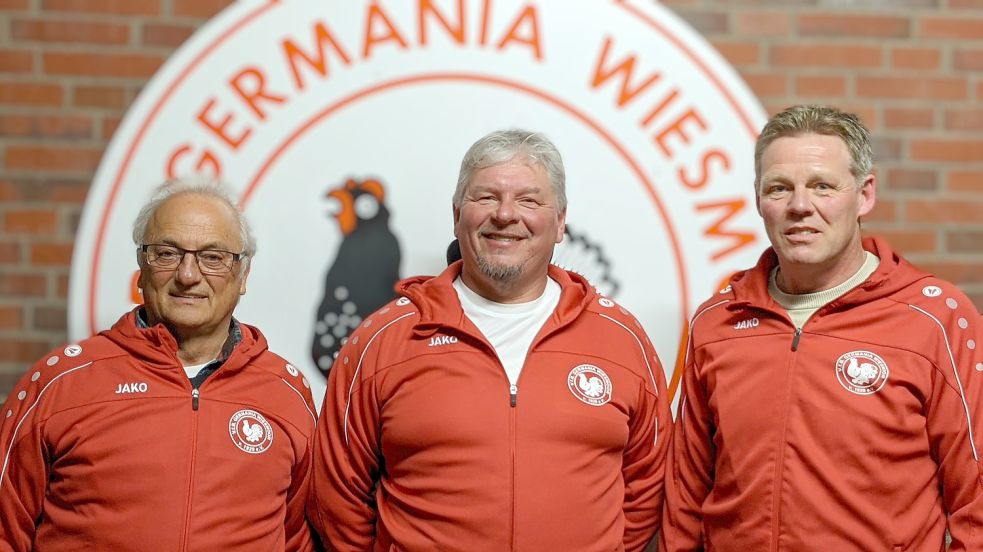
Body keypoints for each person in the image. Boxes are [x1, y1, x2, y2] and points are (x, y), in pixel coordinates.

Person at [309, 129, 671, 551]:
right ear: (457, 213)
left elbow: (648, 486)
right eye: (486, 197)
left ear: (560, 222)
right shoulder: (382, 341)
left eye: (529, 200)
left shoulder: (621, 339)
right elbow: (337, 494)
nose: (505, 214)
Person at [660, 105, 983, 551]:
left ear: (864, 195)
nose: (799, 206)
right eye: (779, 188)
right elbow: (685, 497)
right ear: (758, 199)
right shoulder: (718, 322)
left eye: (822, 186)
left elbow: (977, 499)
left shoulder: (936, 319)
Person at [0, 179, 318, 550]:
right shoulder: (60, 383)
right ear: (141, 266)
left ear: (243, 275)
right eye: (167, 253)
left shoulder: (286, 393)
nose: (187, 275)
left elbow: (298, 538)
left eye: (212, 257)